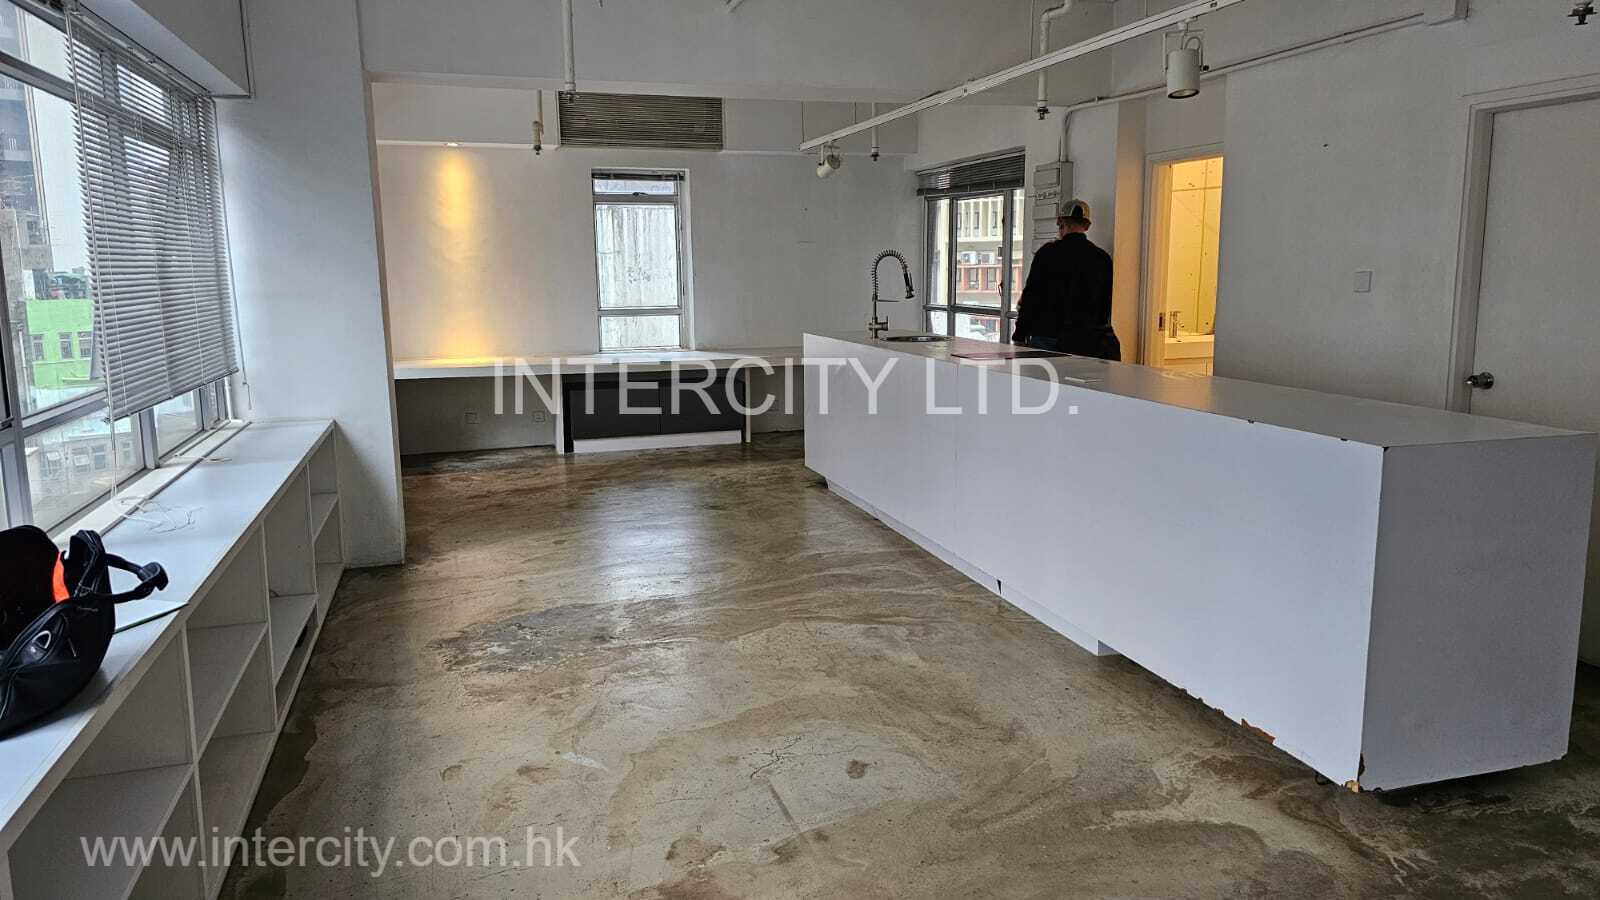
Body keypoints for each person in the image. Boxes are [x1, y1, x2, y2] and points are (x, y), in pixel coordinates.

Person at [1010, 199, 1121, 360]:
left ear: (1061, 223)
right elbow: (1105, 303)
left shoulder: (1048, 254)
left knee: (1045, 377)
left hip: (1048, 337)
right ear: (1087, 226)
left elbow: (1032, 296)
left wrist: (1019, 334)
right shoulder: (1102, 258)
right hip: (1087, 341)